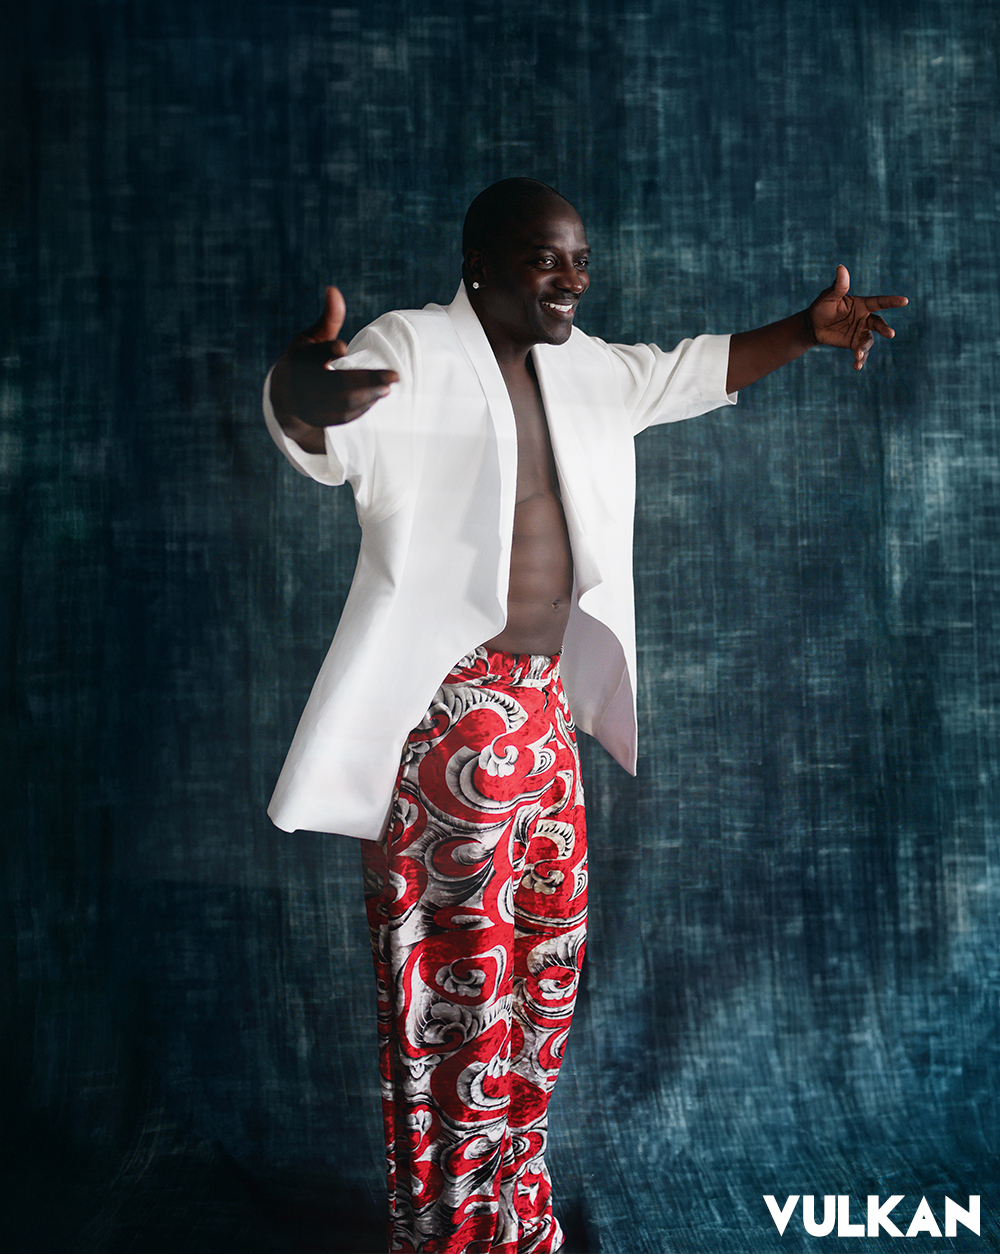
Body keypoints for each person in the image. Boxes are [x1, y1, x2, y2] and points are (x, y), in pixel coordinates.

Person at [264, 178, 907, 1254]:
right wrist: (299, 398)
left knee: (545, 975)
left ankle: (517, 1213)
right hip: (447, 720)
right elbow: (331, 428)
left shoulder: (584, 368)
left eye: (580, 261)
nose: (571, 279)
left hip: (543, 715)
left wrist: (804, 330)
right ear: (480, 265)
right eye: (545, 259)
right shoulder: (411, 348)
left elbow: (688, 371)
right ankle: (451, 1234)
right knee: (457, 996)